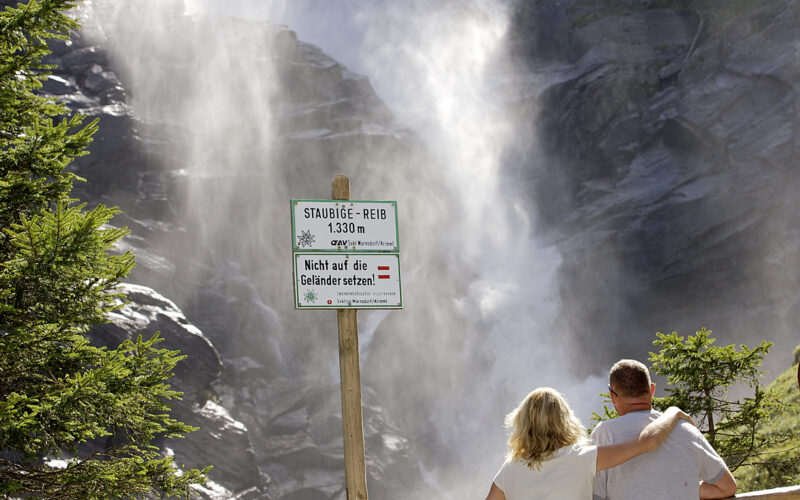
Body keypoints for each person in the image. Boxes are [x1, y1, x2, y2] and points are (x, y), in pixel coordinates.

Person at [485, 386, 693, 500]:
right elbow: (648, 441)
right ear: (564, 419)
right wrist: (672, 413)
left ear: (523, 422)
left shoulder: (509, 470)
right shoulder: (581, 458)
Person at [591, 359, 737, 500]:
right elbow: (727, 487)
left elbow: (590, 495)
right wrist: (682, 489)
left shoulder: (604, 435)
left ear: (612, 395)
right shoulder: (685, 428)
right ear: (652, 390)